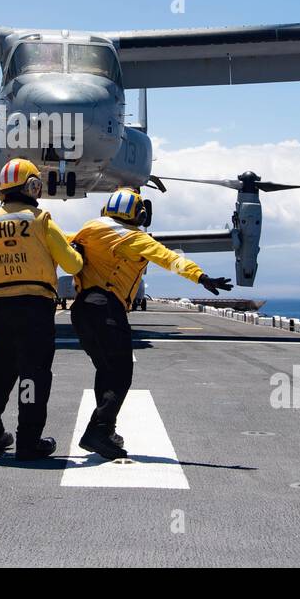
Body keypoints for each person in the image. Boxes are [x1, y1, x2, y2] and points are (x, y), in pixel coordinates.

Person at [68, 188, 233, 460]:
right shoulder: (135, 237)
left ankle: (105, 430)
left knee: (106, 370)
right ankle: (97, 430)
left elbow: (56, 242)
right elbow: (171, 259)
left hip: (81, 309)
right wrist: (202, 278)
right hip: (107, 308)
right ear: (139, 213)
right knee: (120, 373)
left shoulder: (88, 229)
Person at [0, 158, 83, 461]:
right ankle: (28, 441)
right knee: (34, 372)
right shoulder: (41, 220)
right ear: (32, 186)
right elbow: (72, 264)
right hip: (34, 308)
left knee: (1, 372)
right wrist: (77, 256)